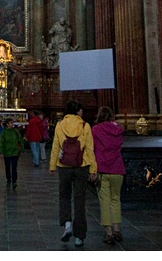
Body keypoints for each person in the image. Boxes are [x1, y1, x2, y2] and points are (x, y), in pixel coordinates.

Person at [49, 100, 97, 247]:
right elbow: (89, 149)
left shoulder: (60, 125)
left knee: (64, 196)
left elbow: (56, 146)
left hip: (63, 165)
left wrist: (52, 165)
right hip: (81, 166)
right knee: (80, 199)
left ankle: (67, 223)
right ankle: (79, 236)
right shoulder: (85, 125)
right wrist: (93, 168)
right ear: (78, 111)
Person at [92, 105, 126, 245]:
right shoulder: (118, 130)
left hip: (102, 168)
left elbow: (92, 149)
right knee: (116, 199)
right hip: (118, 168)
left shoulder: (96, 130)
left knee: (104, 201)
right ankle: (117, 229)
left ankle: (109, 233)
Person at [0, 118, 24, 188]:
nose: (12, 124)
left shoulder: (16, 132)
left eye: (13, 123)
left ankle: (14, 181)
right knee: (7, 167)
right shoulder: (4, 133)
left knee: (14, 167)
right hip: (7, 152)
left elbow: (20, 140)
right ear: (7, 124)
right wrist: (0, 152)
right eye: (11, 123)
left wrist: (22, 150)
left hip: (15, 152)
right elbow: (1, 142)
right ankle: (8, 179)